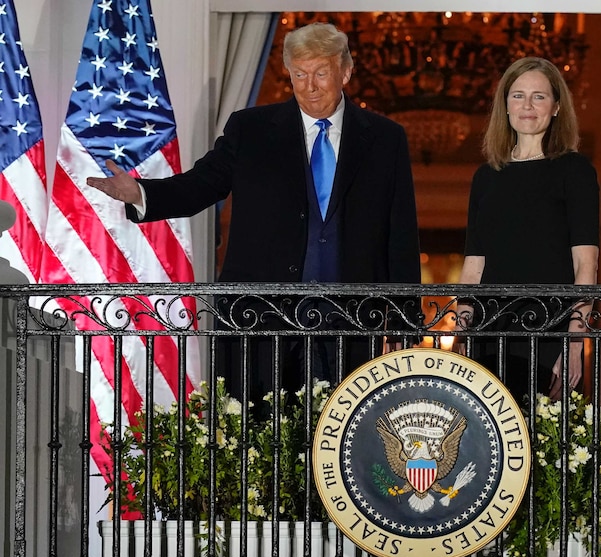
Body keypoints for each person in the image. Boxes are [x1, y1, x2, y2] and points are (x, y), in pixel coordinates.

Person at [87, 22, 421, 407]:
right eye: (299, 74)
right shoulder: (252, 130)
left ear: (345, 71)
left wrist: (404, 317)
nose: (309, 85)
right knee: (260, 439)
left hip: (351, 320)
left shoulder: (384, 138)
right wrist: (143, 192)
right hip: (261, 317)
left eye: (321, 73)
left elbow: (400, 230)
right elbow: (203, 183)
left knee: (342, 438)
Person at [456, 56, 599, 403]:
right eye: (518, 95)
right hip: (488, 333)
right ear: (505, 106)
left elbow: (586, 266)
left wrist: (575, 342)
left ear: (556, 107)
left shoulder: (575, 171)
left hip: (548, 333)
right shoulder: (486, 176)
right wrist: (460, 336)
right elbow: (474, 265)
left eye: (539, 96)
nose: (528, 106)